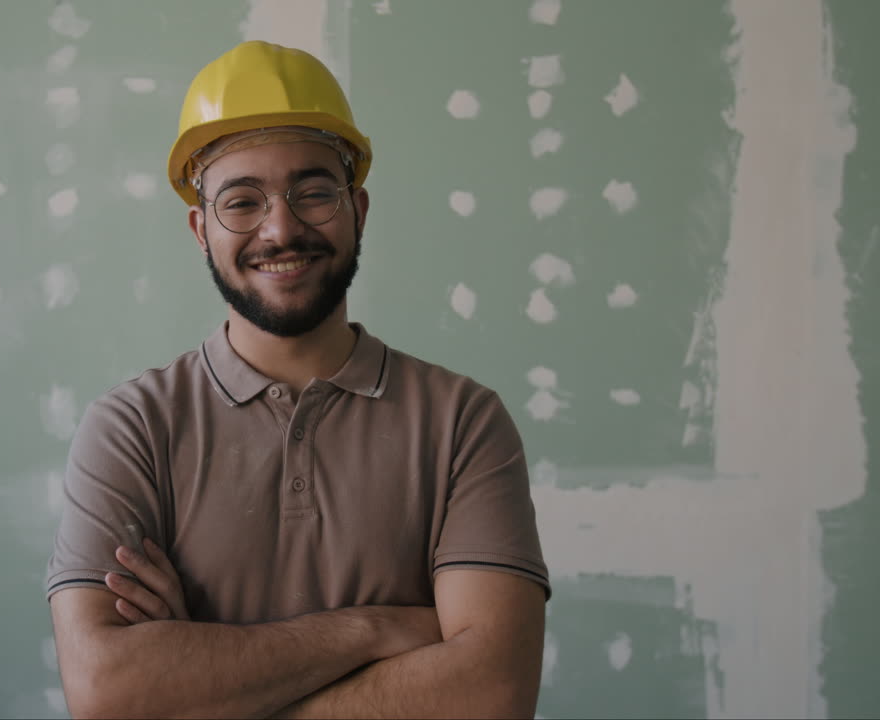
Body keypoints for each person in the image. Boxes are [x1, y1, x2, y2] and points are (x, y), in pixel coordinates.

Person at [46, 40, 549, 719]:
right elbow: (107, 694)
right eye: (242, 202)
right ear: (201, 230)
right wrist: (373, 629)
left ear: (358, 211)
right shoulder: (131, 429)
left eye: (313, 192)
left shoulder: (463, 423)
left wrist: (203, 680)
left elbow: (491, 694)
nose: (281, 229)